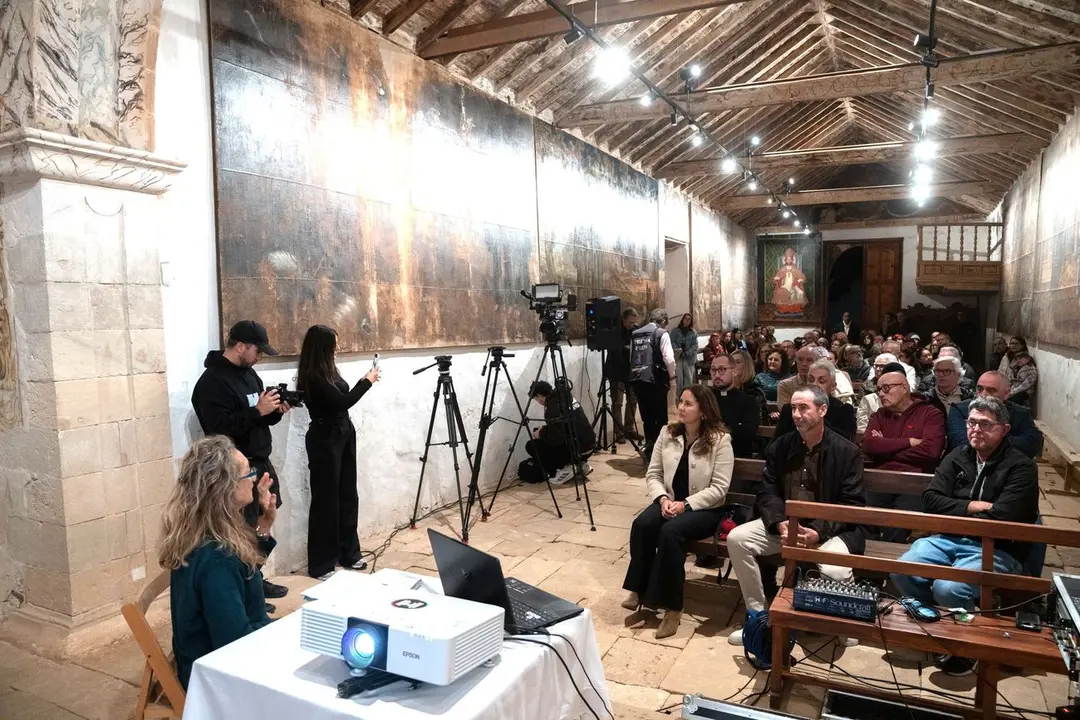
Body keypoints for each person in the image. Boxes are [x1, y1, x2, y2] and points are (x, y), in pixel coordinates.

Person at [891, 397, 1038, 677]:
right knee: (902, 571)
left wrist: (957, 512)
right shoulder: (958, 455)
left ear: (1004, 429)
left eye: (985, 424)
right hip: (948, 538)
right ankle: (937, 628)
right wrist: (973, 506)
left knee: (949, 588)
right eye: (971, 422)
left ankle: (965, 645)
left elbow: (1003, 516)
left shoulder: (1021, 467)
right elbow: (930, 500)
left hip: (996, 547)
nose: (976, 430)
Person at [726, 386, 866, 646]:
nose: (797, 414)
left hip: (830, 530)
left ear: (822, 410)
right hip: (787, 525)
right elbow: (767, 492)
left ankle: (842, 624)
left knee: (835, 570)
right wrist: (780, 523)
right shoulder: (781, 446)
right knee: (737, 539)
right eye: (793, 408)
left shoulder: (847, 451)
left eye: (804, 408)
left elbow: (851, 504)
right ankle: (758, 617)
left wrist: (818, 531)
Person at [160, 436, 278, 689]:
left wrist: (264, 525)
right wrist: (280, 633)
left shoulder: (207, 531)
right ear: (226, 486)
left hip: (217, 658)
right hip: (217, 678)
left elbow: (243, 574)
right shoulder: (216, 558)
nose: (254, 479)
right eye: (248, 473)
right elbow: (234, 643)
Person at [622, 385, 734, 639]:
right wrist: (662, 498)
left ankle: (673, 607)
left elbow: (719, 489)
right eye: (680, 402)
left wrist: (686, 504)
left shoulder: (720, 441)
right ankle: (639, 588)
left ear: (704, 411)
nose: (681, 408)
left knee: (670, 532)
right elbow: (653, 474)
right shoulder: (668, 433)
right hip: (669, 501)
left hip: (705, 509)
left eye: (688, 404)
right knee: (643, 524)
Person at [191, 320, 290, 605]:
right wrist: (257, 411)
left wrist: (275, 411)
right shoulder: (211, 382)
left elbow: (258, 418)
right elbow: (218, 429)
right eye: (258, 351)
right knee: (240, 527)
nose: (260, 357)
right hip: (236, 469)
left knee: (263, 518)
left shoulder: (249, 374)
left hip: (260, 460)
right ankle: (245, 590)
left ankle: (254, 578)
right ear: (240, 346)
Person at [296, 325, 380, 579]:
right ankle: (322, 563)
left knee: (347, 496)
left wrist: (364, 381)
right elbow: (342, 402)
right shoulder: (312, 375)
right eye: (334, 345)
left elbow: (341, 400)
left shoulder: (328, 370)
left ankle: (349, 553)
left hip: (343, 433)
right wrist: (367, 382)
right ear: (323, 347)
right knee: (326, 502)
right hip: (325, 438)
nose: (337, 349)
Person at [863, 363, 946, 542]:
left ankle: (888, 557)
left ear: (905, 387)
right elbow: (869, 445)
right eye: (878, 389)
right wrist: (908, 442)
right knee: (863, 517)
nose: (881, 394)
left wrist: (885, 447)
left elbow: (931, 452)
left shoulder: (931, 414)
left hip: (914, 482)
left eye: (886, 388)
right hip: (881, 479)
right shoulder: (878, 415)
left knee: (898, 526)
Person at [947, 372, 1043, 457]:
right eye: (979, 389)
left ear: (1006, 393)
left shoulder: (1020, 413)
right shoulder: (960, 409)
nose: (983, 394)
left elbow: (1032, 444)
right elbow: (961, 444)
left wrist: (986, 441)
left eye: (991, 390)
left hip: (1008, 466)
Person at [527, 380, 597, 483]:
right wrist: (545, 429)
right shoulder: (565, 397)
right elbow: (565, 426)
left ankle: (564, 468)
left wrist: (540, 434)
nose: (538, 402)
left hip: (577, 449)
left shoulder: (553, 407)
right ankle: (579, 465)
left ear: (540, 396)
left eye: (536, 399)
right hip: (589, 445)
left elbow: (556, 438)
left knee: (532, 445)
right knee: (542, 434)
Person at [630, 308, 677, 458]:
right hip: (655, 380)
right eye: (666, 324)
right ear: (663, 321)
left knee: (647, 417)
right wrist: (672, 377)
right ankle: (660, 450)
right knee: (660, 416)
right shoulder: (661, 333)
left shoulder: (635, 333)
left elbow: (632, 355)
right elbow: (669, 359)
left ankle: (650, 446)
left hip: (637, 379)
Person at [774, 360, 856, 442]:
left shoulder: (844, 411)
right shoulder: (789, 410)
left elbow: (847, 444)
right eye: (811, 379)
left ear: (833, 386)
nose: (815, 384)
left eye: (821, 381)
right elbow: (776, 444)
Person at [710, 354, 760, 458]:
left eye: (722, 369)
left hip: (736, 456)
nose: (717, 375)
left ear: (734, 372)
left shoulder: (748, 401)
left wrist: (718, 428)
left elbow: (748, 432)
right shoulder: (705, 398)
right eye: (713, 370)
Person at [607, 308, 643, 443]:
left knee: (633, 400)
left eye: (633, 322)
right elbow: (616, 350)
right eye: (629, 322)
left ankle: (629, 428)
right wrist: (626, 348)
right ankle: (619, 431)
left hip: (631, 371)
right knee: (617, 402)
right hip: (617, 371)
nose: (631, 325)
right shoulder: (615, 331)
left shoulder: (636, 330)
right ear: (623, 319)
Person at [856, 353, 896, 434]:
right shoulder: (866, 385)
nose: (878, 369)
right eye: (876, 366)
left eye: (882, 366)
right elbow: (861, 411)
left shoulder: (899, 386)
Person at [731, 349, 767, 427]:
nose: (733, 365)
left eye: (737, 362)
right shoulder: (724, 390)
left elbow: (757, 422)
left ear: (746, 366)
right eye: (731, 362)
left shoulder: (755, 392)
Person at [669, 313, 699, 396]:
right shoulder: (675, 331)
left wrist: (687, 353)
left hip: (689, 358)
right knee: (679, 379)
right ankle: (679, 397)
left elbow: (695, 345)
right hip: (678, 357)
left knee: (688, 379)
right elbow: (672, 342)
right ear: (682, 319)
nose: (687, 320)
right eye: (685, 318)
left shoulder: (693, 332)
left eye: (689, 319)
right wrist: (679, 351)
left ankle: (687, 396)